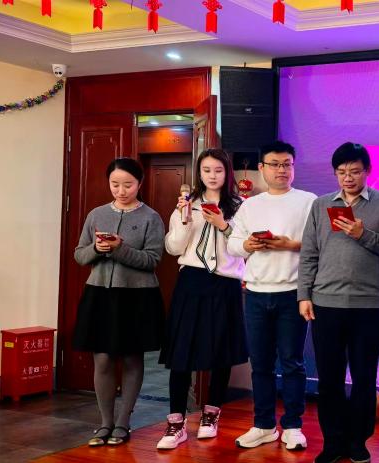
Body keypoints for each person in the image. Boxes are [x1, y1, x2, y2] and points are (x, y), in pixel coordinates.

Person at [298, 142, 379, 463]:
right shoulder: (321, 205)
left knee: (364, 378)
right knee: (329, 379)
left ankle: (358, 441)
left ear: (367, 171)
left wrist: (362, 233)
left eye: (355, 171)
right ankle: (333, 442)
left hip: (367, 306)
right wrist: (304, 295)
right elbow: (309, 253)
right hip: (325, 304)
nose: (348, 177)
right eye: (342, 172)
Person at [228, 141, 317, 451]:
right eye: (275, 164)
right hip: (255, 293)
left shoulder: (308, 201)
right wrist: (248, 246)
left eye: (287, 164)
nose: (282, 170)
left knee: (292, 363)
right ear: (261, 168)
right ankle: (264, 425)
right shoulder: (250, 205)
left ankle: (293, 425)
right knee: (261, 364)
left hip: (292, 293)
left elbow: (320, 243)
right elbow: (233, 244)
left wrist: (289, 244)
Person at [156, 148, 247, 450]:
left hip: (224, 283)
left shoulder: (240, 207)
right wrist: (184, 220)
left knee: (220, 351)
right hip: (191, 281)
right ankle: (176, 422)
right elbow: (173, 248)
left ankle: (211, 415)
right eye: (207, 170)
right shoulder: (187, 204)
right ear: (199, 173)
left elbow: (243, 248)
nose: (212, 176)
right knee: (181, 353)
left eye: (218, 170)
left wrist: (223, 225)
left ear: (227, 172)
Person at [73, 157, 165, 447]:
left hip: (137, 296)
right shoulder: (96, 214)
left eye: (128, 185)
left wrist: (119, 248)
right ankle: (105, 423)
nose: (121, 190)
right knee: (102, 359)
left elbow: (152, 260)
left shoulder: (151, 217)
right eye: (115, 184)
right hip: (100, 293)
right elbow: (79, 255)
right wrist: (97, 248)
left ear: (140, 183)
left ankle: (124, 422)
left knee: (131, 358)